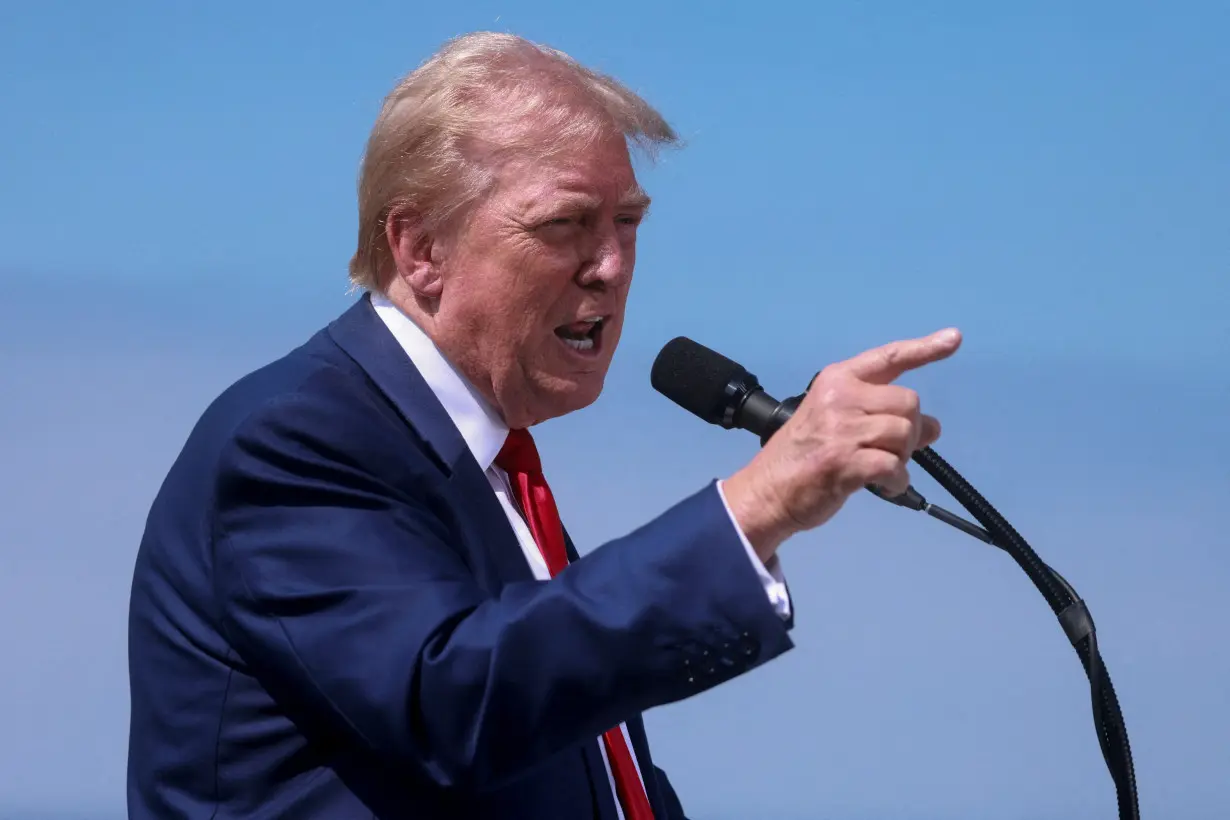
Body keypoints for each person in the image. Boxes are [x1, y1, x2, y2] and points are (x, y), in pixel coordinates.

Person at [126, 31, 961, 819]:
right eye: (565, 224)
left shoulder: (492, 474)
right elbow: (452, 701)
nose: (609, 267)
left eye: (627, 222)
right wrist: (759, 504)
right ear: (421, 248)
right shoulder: (298, 439)